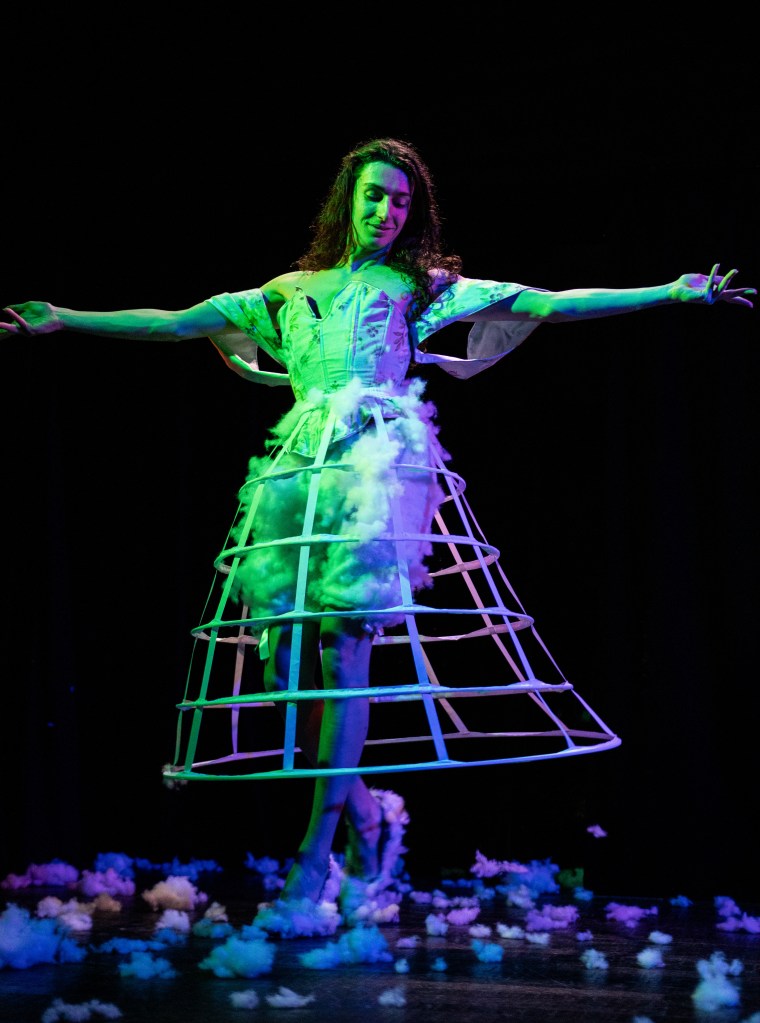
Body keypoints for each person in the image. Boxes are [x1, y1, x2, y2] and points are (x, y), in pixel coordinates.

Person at [2, 137, 754, 917]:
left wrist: (673, 292)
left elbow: (547, 302)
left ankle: (313, 857)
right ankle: (366, 814)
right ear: (347, 200)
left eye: (400, 200)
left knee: (343, 647)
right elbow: (174, 323)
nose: (386, 211)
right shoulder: (289, 290)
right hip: (301, 474)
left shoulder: (420, 287)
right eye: (374, 195)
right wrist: (62, 318)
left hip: (376, 466)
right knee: (281, 660)